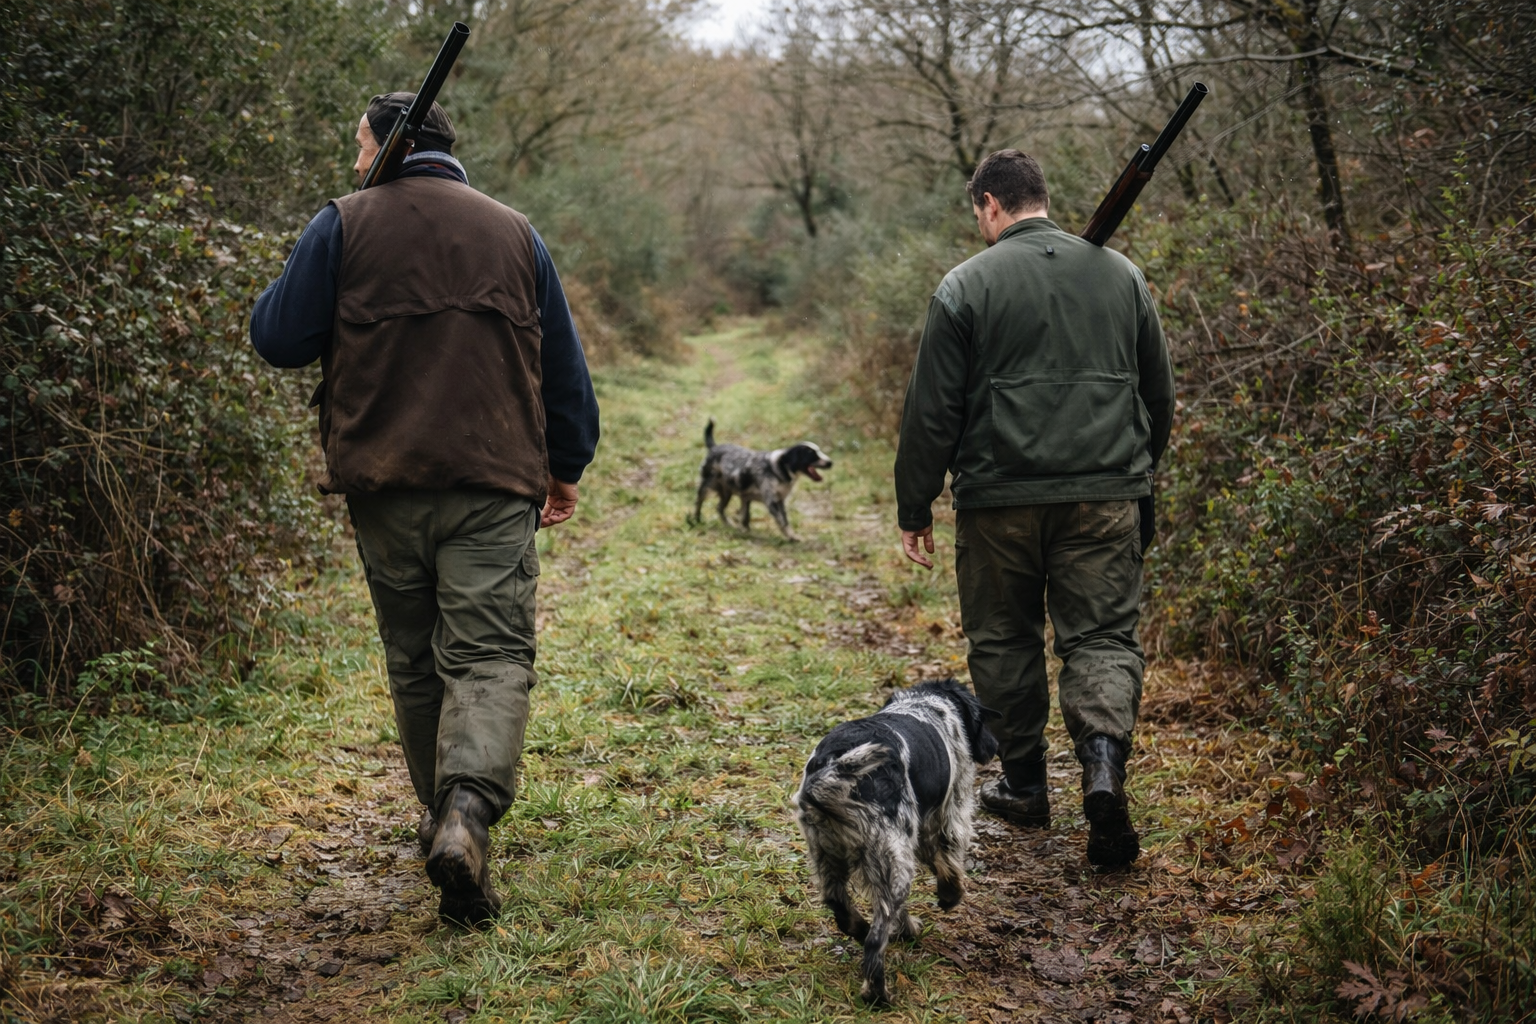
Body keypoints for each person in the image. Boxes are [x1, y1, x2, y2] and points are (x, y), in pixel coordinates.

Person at [249, 93, 599, 922]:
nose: (354, 162)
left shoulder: (342, 223)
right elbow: (563, 367)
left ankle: (444, 816)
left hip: (386, 486)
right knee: (488, 655)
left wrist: (328, 255)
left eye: (359, 146)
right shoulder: (516, 232)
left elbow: (276, 338)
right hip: (493, 484)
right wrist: (567, 464)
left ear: (391, 148)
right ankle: (466, 814)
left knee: (414, 661)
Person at [893, 149, 1173, 870]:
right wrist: (1133, 475)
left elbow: (932, 412)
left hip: (999, 502)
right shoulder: (1123, 275)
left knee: (1004, 638)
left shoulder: (965, 285)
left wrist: (915, 503)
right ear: (1041, 197)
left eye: (977, 213)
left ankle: (1024, 785)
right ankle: (1102, 767)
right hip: (1105, 496)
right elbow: (1158, 394)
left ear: (989, 204)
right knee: (1102, 639)